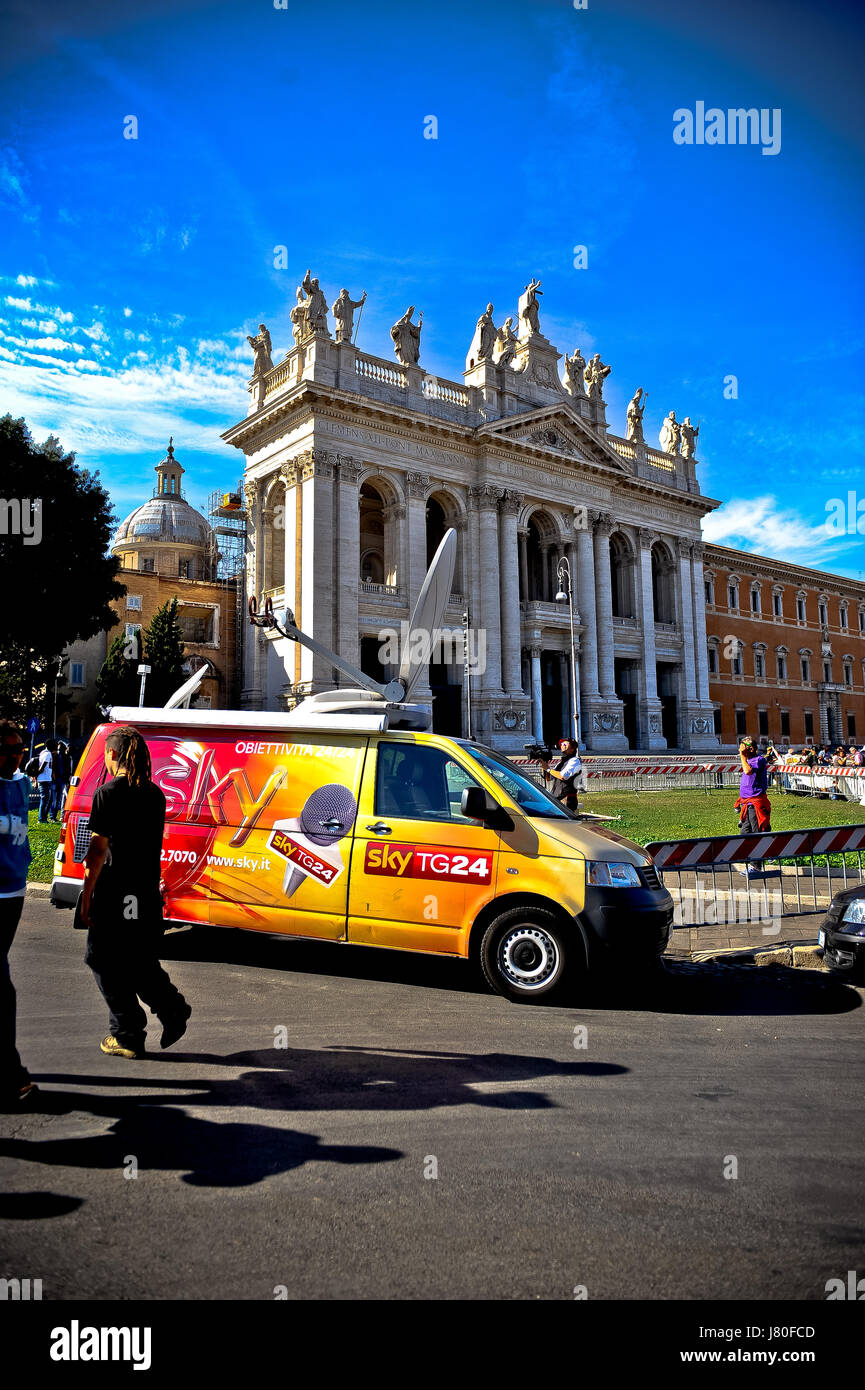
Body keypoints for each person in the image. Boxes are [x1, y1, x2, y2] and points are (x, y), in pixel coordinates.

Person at [80, 726, 191, 1059]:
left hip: (115, 892)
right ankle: (171, 1008)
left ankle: (128, 1031)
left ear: (112, 755)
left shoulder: (108, 794)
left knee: (99, 958)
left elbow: (97, 851)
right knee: (138, 959)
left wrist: (86, 896)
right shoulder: (154, 795)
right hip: (144, 891)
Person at [0, 719, 38, 1108]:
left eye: (20, 750)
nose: (16, 757)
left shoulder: (19, 783)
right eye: (8, 750)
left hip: (12, 890)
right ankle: (10, 1075)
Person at [734, 736, 770, 877]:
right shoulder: (748, 760)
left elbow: (748, 771)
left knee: (756, 834)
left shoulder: (758, 760)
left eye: (744, 747)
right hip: (747, 803)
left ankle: (756, 866)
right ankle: (759, 856)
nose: (741, 750)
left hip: (756, 803)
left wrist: (742, 756)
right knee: (744, 833)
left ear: (751, 749)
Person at [542, 737, 582, 814]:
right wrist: (544, 764)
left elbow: (563, 776)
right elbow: (548, 778)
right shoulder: (561, 763)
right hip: (557, 798)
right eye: (561, 744)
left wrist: (548, 769)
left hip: (567, 800)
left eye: (565, 744)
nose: (562, 745)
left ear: (572, 749)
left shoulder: (575, 761)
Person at [34, 738, 56, 823]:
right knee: (45, 800)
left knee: (48, 800)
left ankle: (44, 818)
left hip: (45, 779)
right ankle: (41, 819)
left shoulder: (43, 753)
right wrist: (37, 774)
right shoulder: (48, 754)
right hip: (45, 780)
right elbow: (42, 767)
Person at [51, 739, 71, 822]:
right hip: (59, 779)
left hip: (59, 779)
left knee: (56, 799)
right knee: (57, 799)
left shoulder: (57, 756)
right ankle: (53, 816)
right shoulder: (57, 756)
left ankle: (53, 816)